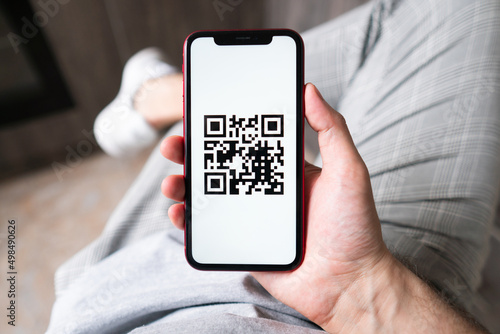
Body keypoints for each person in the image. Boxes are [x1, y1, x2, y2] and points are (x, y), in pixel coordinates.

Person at [47, 0, 500, 333]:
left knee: (228, 121)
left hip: (104, 295)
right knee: (456, 9)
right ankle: (172, 90)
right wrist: (360, 291)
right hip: (350, 298)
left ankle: (160, 93)